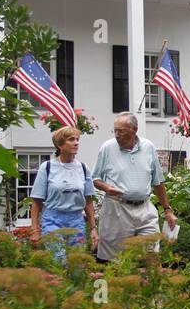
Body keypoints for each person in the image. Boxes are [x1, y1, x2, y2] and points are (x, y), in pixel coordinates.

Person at [92, 112, 178, 262]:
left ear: (134, 130)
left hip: (145, 209)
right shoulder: (107, 147)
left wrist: (167, 209)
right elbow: (95, 178)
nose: (117, 135)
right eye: (115, 130)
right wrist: (107, 188)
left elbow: (158, 181)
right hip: (117, 209)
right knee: (115, 259)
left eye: (121, 131)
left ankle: (152, 283)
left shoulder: (148, 147)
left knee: (151, 253)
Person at [31, 126, 97, 261]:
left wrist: (93, 229)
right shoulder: (47, 167)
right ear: (60, 144)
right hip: (52, 219)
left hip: (76, 219)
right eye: (71, 139)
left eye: (77, 139)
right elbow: (37, 201)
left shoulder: (83, 168)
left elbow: (88, 201)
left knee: (77, 262)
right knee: (58, 260)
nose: (76, 142)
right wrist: (35, 230)